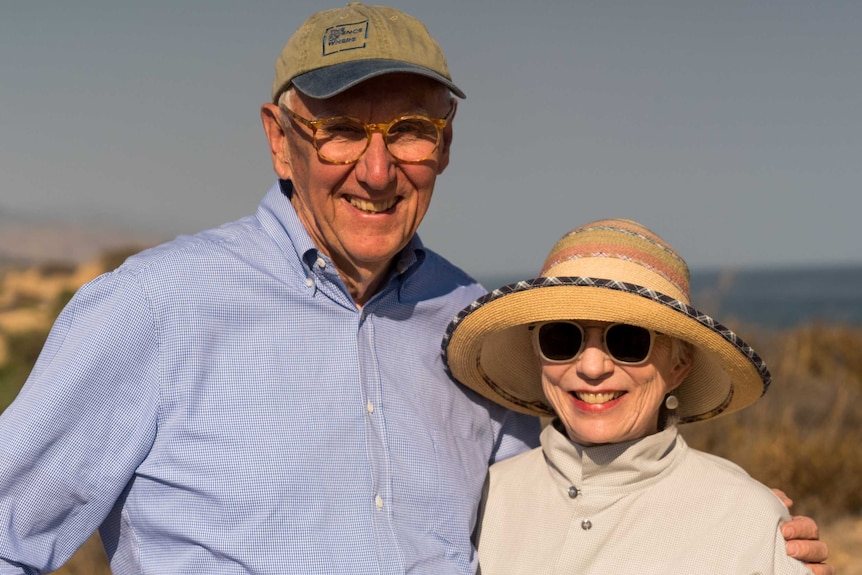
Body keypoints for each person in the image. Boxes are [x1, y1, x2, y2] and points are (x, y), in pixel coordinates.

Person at [0, 4, 829, 575]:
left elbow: (577, 492)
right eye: (339, 130)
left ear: (446, 144)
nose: (376, 166)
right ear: (277, 140)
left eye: (409, 131)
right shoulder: (151, 309)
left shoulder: (474, 327)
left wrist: (738, 525)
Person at [444, 218, 821, 574]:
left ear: (680, 364)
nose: (592, 367)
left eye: (628, 341)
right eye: (562, 338)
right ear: (536, 355)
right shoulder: (481, 499)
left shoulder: (745, 518)